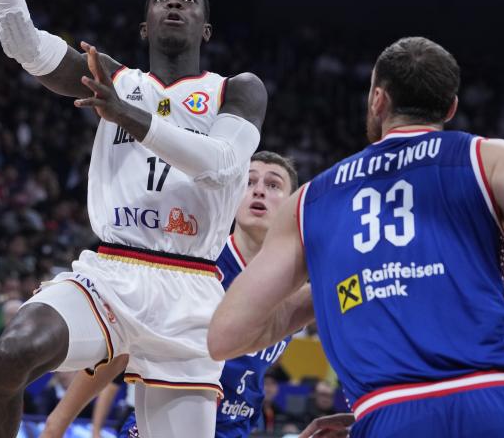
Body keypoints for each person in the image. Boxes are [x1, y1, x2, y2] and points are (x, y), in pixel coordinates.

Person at [0, 0, 267, 438]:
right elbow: (20, 42)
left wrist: (136, 121)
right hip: (111, 272)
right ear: (145, 22)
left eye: (187, 0)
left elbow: (221, 163)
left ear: (205, 26)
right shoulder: (113, 78)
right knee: (13, 352)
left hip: (190, 292)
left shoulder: (238, 88)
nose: (173, 5)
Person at [209, 37, 504, 438]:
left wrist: (339, 287)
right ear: (449, 108)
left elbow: (226, 335)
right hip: (493, 401)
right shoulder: (489, 157)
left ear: (378, 100)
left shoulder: (312, 199)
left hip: (388, 411)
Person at [42, 153, 310, 438]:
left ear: (292, 206)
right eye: (249, 181)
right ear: (231, 196)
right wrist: (57, 423)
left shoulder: (296, 280)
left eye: (273, 185)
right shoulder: (195, 264)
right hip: (163, 425)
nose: (258, 190)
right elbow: (120, 348)